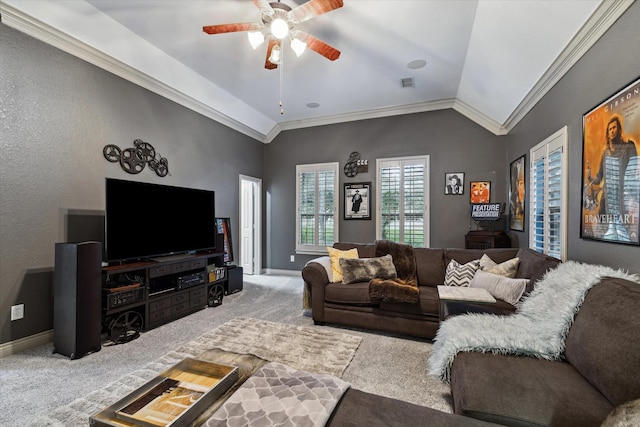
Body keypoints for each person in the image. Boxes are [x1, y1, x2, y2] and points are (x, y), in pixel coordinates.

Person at [587, 115, 638, 240]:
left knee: (625, 235)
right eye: (610, 129)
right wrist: (589, 177)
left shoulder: (628, 147)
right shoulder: (606, 154)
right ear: (607, 133)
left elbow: (634, 170)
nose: (612, 130)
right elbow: (599, 178)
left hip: (622, 198)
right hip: (607, 201)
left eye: (614, 127)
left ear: (619, 129)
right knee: (604, 234)